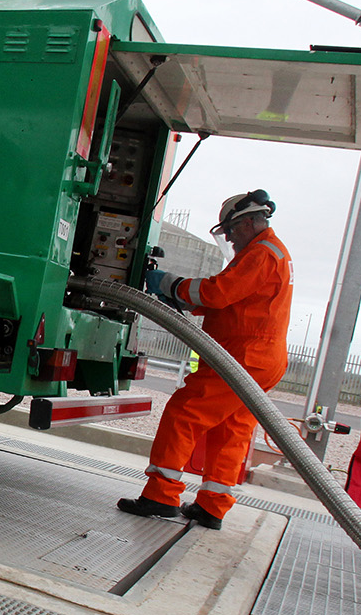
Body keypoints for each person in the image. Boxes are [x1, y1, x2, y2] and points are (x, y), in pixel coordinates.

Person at [119, 190, 293, 530]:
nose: (228, 237)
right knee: (233, 429)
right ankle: (212, 506)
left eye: (230, 229)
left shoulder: (261, 253)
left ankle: (160, 495)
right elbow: (227, 300)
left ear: (247, 222)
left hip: (243, 355)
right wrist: (176, 294)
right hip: (261, 357)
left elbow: (215, 293)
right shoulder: (272, 252)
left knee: (184, 412)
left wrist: (169, 283)